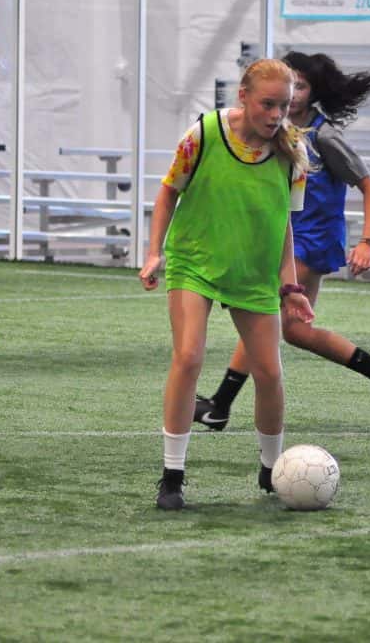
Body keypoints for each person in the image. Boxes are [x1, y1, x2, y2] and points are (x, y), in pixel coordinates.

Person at [193, 51, 370, 433]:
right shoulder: (275, 131)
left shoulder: (324, 136)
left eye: (302, 87)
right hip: (288, 237)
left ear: (313, 92)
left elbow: (369, 187)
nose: (292, 96)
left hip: (314, 239)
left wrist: (367, 241)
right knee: (295, 331)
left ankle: (220, 404)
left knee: (265, 308)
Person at [139, 58, 315, 511]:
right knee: (188, 356)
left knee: (270, 373)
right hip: (195, 263)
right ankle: (172, 477)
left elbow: (282, 223)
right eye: (267, 104)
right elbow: (168, 191)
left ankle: (271, 470)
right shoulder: (204, 134)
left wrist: (291, 287)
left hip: (253, 273)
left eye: (284, 105)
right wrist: (154, 251)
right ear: (243, 96)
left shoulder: (293, 150)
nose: (276, 114)